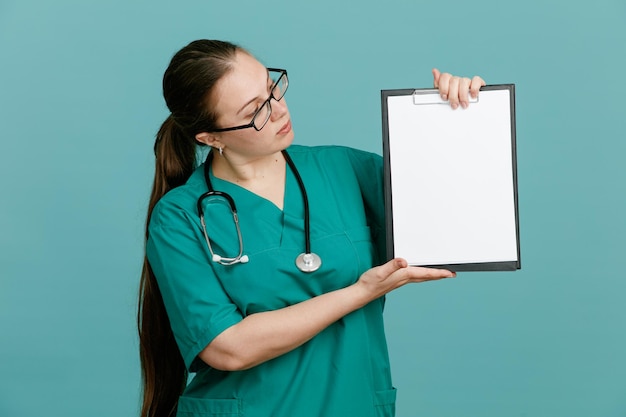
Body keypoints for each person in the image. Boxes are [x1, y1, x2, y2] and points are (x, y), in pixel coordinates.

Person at [138, 39, 485, 417]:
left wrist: (453, 116)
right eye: (255, 110)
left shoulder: (344, 170)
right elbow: (227, 347)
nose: (278, 110)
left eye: (272, 88)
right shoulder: (180, 217)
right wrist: (360, 292)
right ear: (210, 137)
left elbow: (462, 207)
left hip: (352, 404)